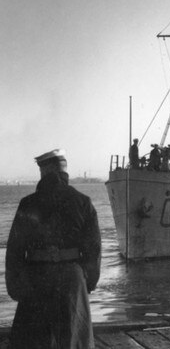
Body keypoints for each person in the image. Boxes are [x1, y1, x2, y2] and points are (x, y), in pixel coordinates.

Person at [5, 149, 101, 348]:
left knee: (33, 341)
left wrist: (15, 286)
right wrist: (86, 283)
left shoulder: (28, 203)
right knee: (72, 340)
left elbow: (14, 250)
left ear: (45, 171)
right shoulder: (83, 202)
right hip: (72, 282)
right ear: (63, 172)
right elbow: (94, 251)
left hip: (36, 280)